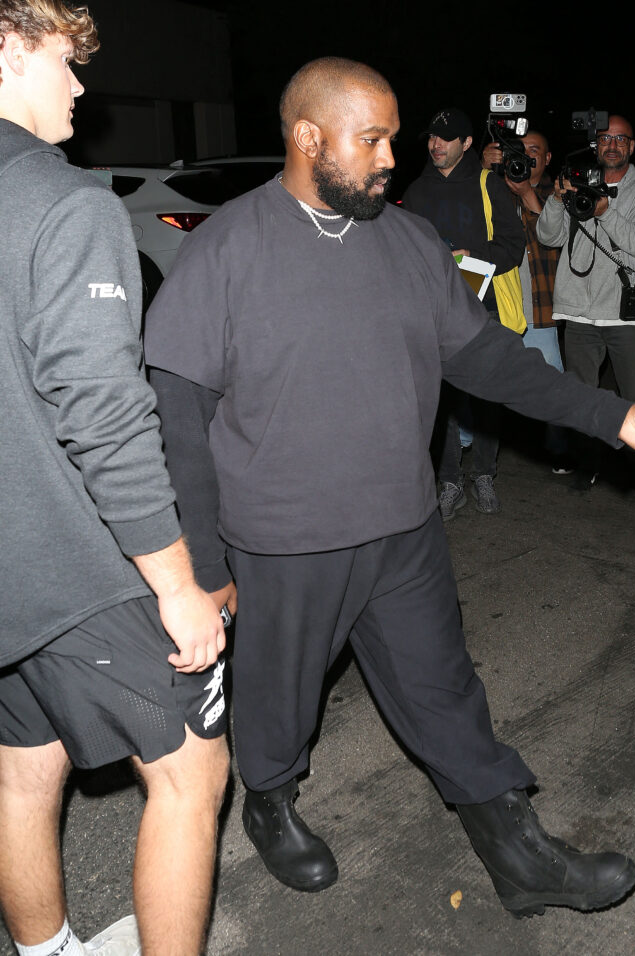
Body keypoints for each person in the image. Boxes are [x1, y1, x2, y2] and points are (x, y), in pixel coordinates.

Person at [143, 57, 635, 921]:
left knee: (445, 690)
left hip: (403, 527)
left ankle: (520, 859)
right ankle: (269, 799)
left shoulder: (408, 241)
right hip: (285, 539)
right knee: (280, 692)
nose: (389, 157)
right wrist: (203, 560)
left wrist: (616, 417)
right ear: (309, 137)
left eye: (393, 138)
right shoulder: (228, 246)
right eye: (370, 139)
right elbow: (178, 414)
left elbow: (485, 358)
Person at [0, 3, 230, 955]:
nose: (81, 87)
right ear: (6, 48)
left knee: (20, 766)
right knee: (191, 774)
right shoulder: (64, 203)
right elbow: (103, 417)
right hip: (64, 563)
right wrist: (178, 588)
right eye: (64, 61)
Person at [401, 108, 525, 518]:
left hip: (483, 306)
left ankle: (485, 473)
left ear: (467, 143)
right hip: (437, 311)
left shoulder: (490, 185)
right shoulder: (416, 191)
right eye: (432, 137)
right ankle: (451, 480)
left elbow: (513, 245)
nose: (436, 144)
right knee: (446, 398)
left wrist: (475, 257)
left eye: (446, 138)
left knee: (489, 393)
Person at [536, 115, 635, 488]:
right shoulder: (579, 179)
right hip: (577, 311)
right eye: (605, 138)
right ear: (596, 145)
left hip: (621, 313)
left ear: (631, 146)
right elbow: (549, 237)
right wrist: (559, 201)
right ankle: (588, 461)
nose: (612, 145)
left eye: (620, 139)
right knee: (581, 396)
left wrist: (604, 211)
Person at [482, 129, 573, 473]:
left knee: (553, 383)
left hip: (537, 310)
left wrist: (526, 193)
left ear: (547, 159)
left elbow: (553, 240)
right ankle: (465, 450)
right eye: (518, 151)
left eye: (534, 150)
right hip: (498, 308)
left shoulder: (557, 195)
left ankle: (560, 450)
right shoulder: (490, 188)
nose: (526, 157)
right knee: (479, 380)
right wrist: (482, 167)